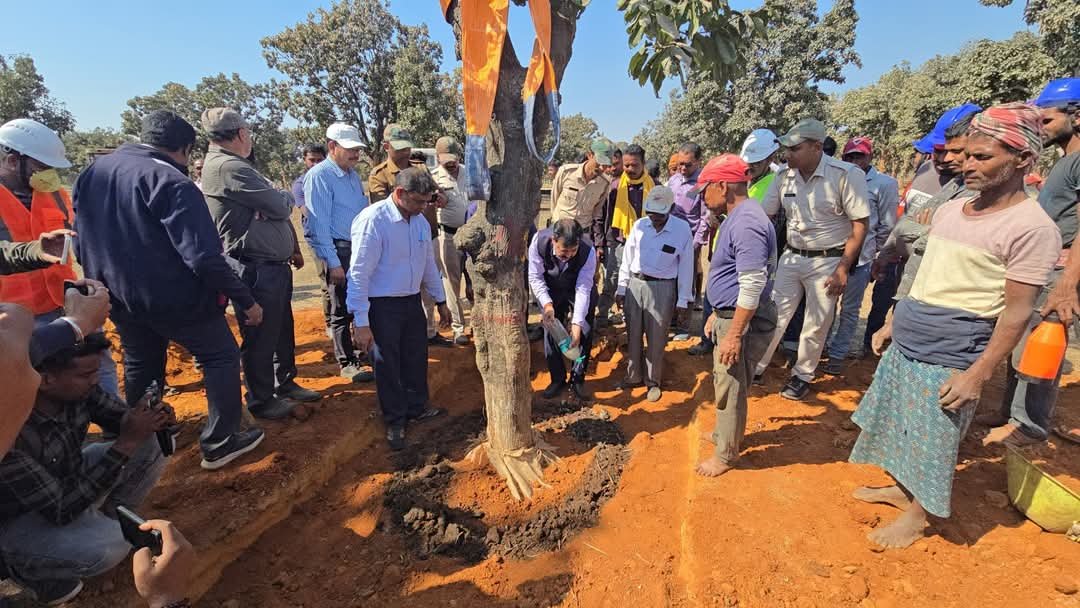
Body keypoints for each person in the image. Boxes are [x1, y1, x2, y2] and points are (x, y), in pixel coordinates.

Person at [847, 103, 1060, 549]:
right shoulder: (954, 210)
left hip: (953, 350)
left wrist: (978, 374)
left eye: (983, 158)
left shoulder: (1031, 228)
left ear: (1022, 160)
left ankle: (919, 517)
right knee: (901, 423)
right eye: (967, 156)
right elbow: (925, 273)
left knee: (935, 441)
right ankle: (902, 491)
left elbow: (1017, 313)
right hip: (912, 334)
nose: (967, 165)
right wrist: (892, 319)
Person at [74, 110, 266, 470]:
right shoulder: (170, 181)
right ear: (185, 148)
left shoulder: (92, 173)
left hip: (116, 295)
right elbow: (204, 257)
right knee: (221, 355)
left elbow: (81, 237)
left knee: (141, 362)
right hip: (175, 298)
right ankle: (222, 440)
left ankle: (148, 435)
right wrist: (244, 299)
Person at [0, 332, 173, 604]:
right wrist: (125, 443)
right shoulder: (10, 431)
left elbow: (123, 420)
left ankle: (106, 520)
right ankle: (26, 571)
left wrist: (151, 415)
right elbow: (60, 508)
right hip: (18, 522)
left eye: (95, 371)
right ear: (45, 379)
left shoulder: (79, 392)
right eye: (85, 374)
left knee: (150, 439)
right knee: (109, 547)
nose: (95, 380)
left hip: (65, 484)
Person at [201, 108, 320, 421]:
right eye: (248, 133)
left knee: (281, 328)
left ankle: (285, 382)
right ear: (241, 134)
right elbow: (281, 204)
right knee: (262, 334)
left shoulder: (234, 165)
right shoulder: (228, 166)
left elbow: (275, 207)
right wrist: (278, 198)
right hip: (254, 267)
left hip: (270, 265)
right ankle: (261, 398)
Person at [982, 78, 1080, 447]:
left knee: (1042, 345)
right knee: (1018, 333)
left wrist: (1067, 283)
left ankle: (1030, 424)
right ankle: (1011, 411)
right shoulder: (1064, 162)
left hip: (1061, 269)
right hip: (1043, 266)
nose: (1041, 127)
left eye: (1048, 119)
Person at [0, 118, 120, 399]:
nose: (48, 175)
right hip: (15, 316)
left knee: (98, 364)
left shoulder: (53, 194)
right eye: (41, 168)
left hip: (65, 299)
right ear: (13, 161)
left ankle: (117, 425)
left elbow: (75, 235)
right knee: (33, 381)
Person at [755, 118, 870, 401]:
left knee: (816, 322)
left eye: (794, 149)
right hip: (791, 257)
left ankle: (801, 375)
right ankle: (756, 366)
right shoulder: (784, 177)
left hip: (828, 261)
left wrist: (844, 267)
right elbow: (764, 215)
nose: (787, 154)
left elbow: (860, 225)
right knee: (775, 314)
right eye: (786, 149)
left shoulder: (845, 175)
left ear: (817, 147)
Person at [864, 104, 983, 352]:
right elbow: (909, 222)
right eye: (938, 151)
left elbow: (933, 238)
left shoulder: (976, 190)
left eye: (953, 151)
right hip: (907, 269)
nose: (943, 158)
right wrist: (887, 253)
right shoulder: (931, 172)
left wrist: (924, 230)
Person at [348, 167, 450, 450]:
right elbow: (358, 273)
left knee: (416, 356)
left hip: (410, 301)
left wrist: (441, 301)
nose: (422, 207)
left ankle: (418, 407)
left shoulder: (419, 222)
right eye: (418, 201)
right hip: (381, 306)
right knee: (387, 363)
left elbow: (429, 264)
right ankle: (395, 419)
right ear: (400, 193)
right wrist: (361, 320)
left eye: (426, 201)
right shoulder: (373, 221)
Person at [690, 155, 778, 477]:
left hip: (742, 319)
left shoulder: (747, 222)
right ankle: (725, 437)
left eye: (704, 191)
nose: (702, 198)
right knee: (728, 381)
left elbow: (753, 282)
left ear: (722, 186)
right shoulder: (739, 216)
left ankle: (725, 454)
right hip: (730, 313)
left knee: (731, 385)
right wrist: (717, 312)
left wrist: (735, 332)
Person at [304, 122, 376, 382]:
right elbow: (318, 224)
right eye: (350, 150)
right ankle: (347, 362)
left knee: (360, 301)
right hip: (337, 249)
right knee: (340, 307)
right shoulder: (319, 176)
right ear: (332, 146)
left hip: (357, 248)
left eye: (357, 150)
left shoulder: (352, 176)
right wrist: (333, 262)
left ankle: (362, 350)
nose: (356, 155)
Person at [824, 137, 899, 374]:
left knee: (850, 309)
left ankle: (837, 355)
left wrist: (876, 254)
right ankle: (822, 348)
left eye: (860, 156)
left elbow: (887, 225)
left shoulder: (884, 184)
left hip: (861, 260)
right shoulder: (837, 178)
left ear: (869, 157)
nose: (855, 161)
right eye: (850, 156)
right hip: (833, 255)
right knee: (826, 306)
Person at [616, 186, 695, 402]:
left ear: (670, 209)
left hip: (663, 288)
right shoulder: (639, 226)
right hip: (635, 284)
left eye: (660, 214)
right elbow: (627, 258)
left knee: (657, 337)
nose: (655, 218)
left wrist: (683, 299)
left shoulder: (682, 230)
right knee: (633, 333)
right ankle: (633, 376)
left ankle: (653, 381)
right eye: (651, 213)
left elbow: (687, 266)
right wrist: (622, 288)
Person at [529, 218, 597, 401]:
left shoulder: (588, 251)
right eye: (563, 251)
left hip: (578, 289)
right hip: (550, 289)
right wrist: (547, 304)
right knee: (551, 331)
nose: (568, 256)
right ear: (553, 240)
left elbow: (583, 288)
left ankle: (578, 379)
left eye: (573, 251)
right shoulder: (538, 242)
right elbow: (535, 277)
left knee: (584, 331)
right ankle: (557, 379)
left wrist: (576, 324)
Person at [597, 144, 652, 327]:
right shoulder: (614, 187)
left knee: (639, 281)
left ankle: (634, 318)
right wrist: (604, 243)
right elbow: (605, 216)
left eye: (634, 165)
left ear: (643, 164)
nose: (629, 169)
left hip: (647, 243)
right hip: (620, 242)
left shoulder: (654, 187)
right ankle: (602, 316)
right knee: (612, 278)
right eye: (626, 165)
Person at [431, 136, 470, 345]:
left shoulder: (469, 172)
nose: (450, 163)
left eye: (453, 158)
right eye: (445, 159)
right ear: (438, 158)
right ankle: (458, 328)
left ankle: (480, 325)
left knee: (475, 281)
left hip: (472, 236)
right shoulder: (433, 177)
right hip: (448, 236)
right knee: (451, 283)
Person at [667, 143, 706, 341]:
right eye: (680, 164)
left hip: (690, 241)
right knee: (670, 280)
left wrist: (696, 244)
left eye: (688, 165)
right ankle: (672, 320)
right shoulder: (673, 182)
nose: (683, 168)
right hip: (670, 240)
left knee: (686, 284)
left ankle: (683, 326)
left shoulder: (702, 184)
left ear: (698, 162)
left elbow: (704, 217)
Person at [550, 137, 615, 244]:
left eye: (606, 165)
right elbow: (554, 200)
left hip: (582, 234)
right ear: (590, 155)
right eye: (599, 162)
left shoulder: (605, 183)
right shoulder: (566, 172)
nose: (602, 168)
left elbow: (596, 211)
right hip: (558, 230)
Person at [291, 144, 327, 212]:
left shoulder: (334, 179)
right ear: (304, 160)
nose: (316, 164)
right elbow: (309, 214)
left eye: (319, 160)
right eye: (312, 160)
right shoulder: (300, 185)